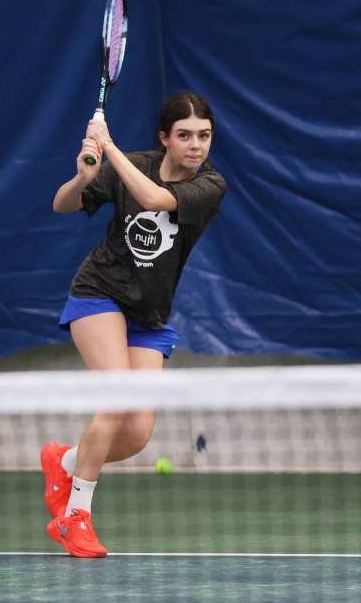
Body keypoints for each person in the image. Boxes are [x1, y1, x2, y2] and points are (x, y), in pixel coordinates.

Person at [44, 92, 227, 558]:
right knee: (117, 398)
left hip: (149, 315)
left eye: (203, 136)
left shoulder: (209, 186)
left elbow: (156, 198)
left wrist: (110, 145)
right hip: (99, 294)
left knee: (137, 432)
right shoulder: (137, 163)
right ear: (164, 138)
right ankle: (75, 517)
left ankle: (64, 462)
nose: (195, 145)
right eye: (184, 135)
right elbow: (62, 205)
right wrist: (83, 177)